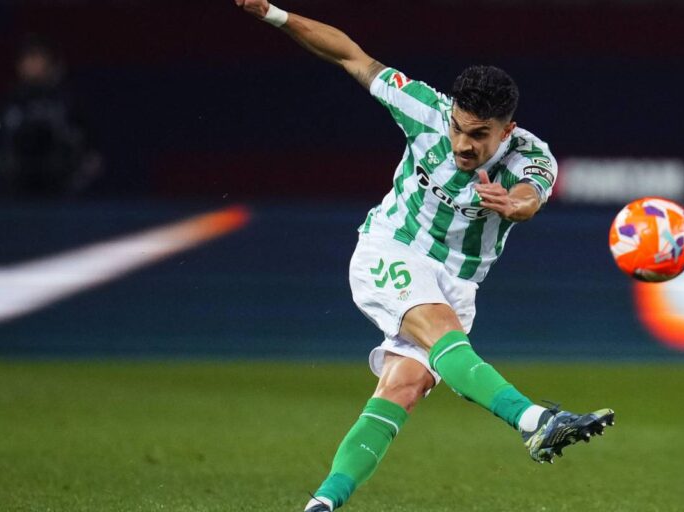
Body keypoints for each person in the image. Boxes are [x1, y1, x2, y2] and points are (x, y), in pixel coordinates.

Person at [234, 2, 616, 510]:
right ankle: (537, 421)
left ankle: (322, 504)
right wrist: (273, 13)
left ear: (506, 131)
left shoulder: (531, 154)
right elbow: (351, 55)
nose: (462, 143)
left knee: (402, 389)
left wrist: (515, 204)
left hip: (458, 284)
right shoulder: (423, 109)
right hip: (390, 249)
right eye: (458, 127)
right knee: (443, 334)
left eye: (479, 135)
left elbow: (531, 195)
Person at [0, 37, 102, 197]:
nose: (32, 64)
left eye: (38, 57)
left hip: (60, 186)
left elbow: (89, 147)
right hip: (16, 187)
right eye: (28, 58)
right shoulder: (10, 102)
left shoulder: (66, 100)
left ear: (50, 62)